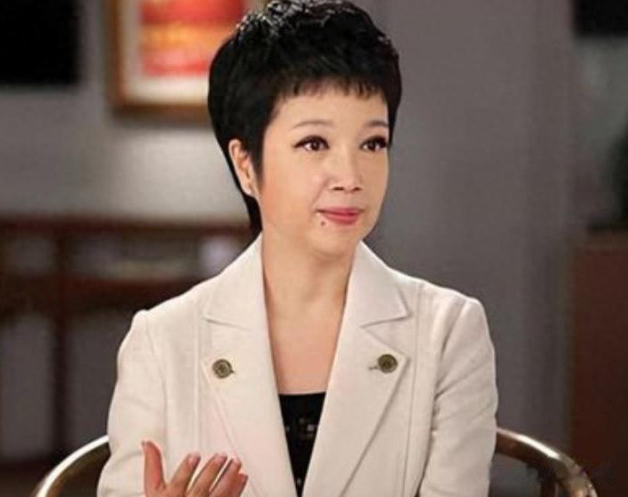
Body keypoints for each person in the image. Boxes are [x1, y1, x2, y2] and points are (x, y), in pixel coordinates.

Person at [97, 0, 498, 496]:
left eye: (373, 143)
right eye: (314, 144)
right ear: (246, 164)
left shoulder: (448, 334)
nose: (350, 177)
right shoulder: (162, 343)